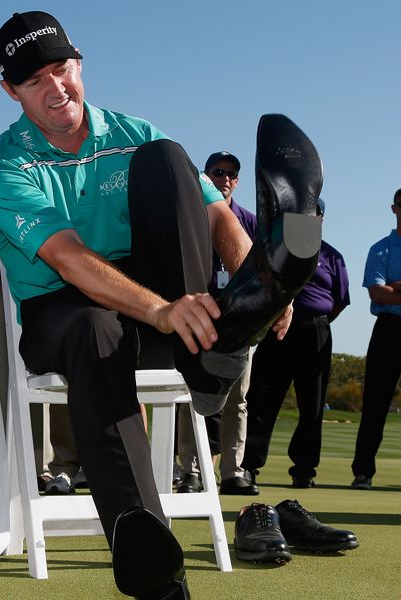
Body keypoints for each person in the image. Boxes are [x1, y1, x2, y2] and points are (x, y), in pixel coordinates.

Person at [0, 11, 318, 599]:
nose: (57, 89)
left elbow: (214, 213)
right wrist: (162, 312)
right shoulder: (0, 163)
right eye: (36, 82)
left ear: (79, 63)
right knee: (94, 329)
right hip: (65, 309)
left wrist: (253, 282)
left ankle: (218, 340)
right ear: (10, 90)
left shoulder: (132, 131)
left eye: (63, 70)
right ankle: (153, 568)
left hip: (163, 305)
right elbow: (69, 257)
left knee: (165, 156)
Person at [243, 198, 350, 489]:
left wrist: (315, 321)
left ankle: (304, 469)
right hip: (277, 328)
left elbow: (339, 301)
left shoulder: (332, 256)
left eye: (311, 213)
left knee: (312, 404)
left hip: (315, 331)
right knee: (262, 399)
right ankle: (249, 465)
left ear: (321, 218)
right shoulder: (274, 250)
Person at [176, 151, 259, 496]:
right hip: (199, 313)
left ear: (238, 181)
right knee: (189, 392)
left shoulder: (250, 222)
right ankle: (190, 471)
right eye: (218, 172)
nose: (225, 178)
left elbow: (262, 269)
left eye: (231, 173)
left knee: (238, 397)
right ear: (206, 177)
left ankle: (232, 471)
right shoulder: (193, 217)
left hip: (240, 319)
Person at [350, 188, 401, 490]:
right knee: (375, 404)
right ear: (394, 208)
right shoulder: (381, 249)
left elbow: (389, 290)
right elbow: (377, 292)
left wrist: (397, 287)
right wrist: (390, 292)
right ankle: (363, 472)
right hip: (388, 330)